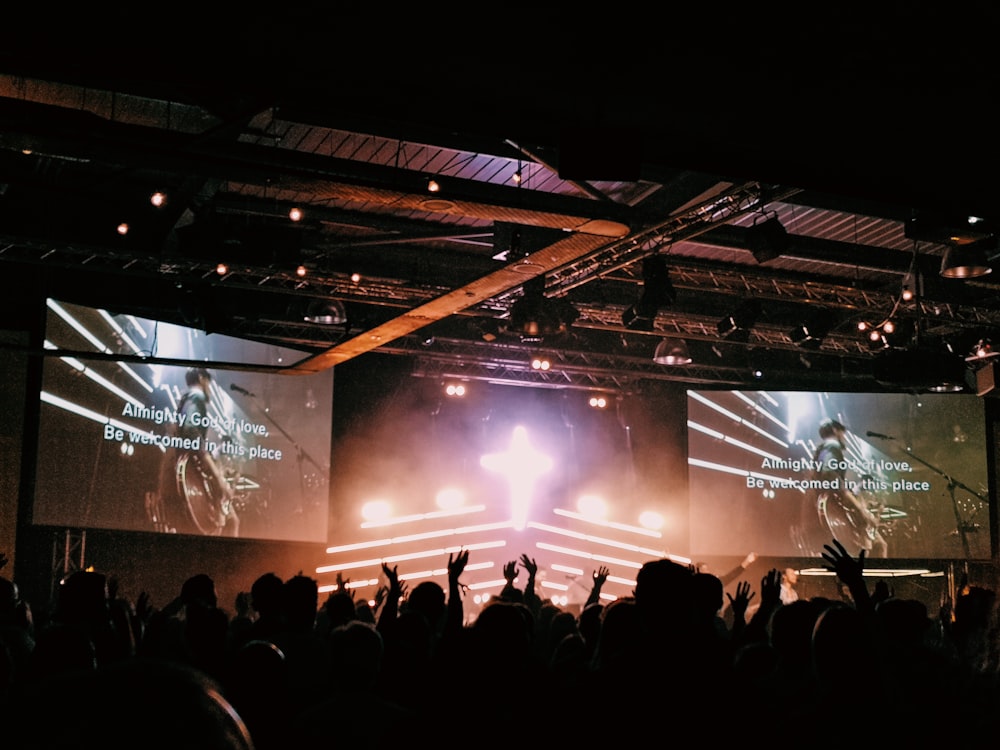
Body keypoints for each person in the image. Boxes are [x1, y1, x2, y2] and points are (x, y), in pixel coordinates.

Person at [156, 367, 239, 537]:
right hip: (188, 482)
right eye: (208, 381)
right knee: (228, 523)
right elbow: (191, 431)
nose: (209, 386)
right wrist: (218, 476)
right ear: (201, 378)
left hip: (174, 477)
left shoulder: (185, 399)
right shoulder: (197, 397)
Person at [810, 418, 887, 558]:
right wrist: (857, 507)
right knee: (871, 548)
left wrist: (857, 488)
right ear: (835, 431)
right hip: (835, 508)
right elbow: (830, 474)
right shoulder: (832, 445)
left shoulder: (821, 450)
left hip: (826, 508)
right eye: (842, 433)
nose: (844, 437)